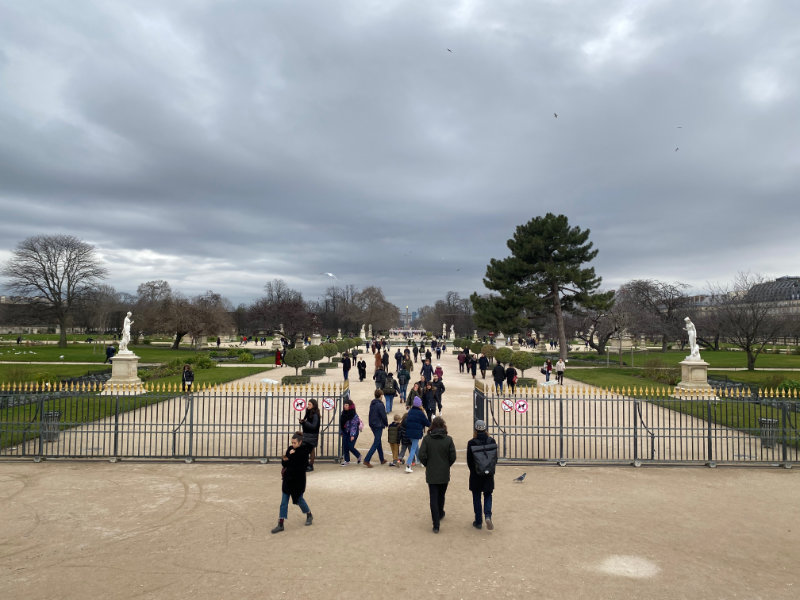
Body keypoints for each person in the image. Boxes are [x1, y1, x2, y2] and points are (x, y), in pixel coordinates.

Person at [419, 416, 457, 533]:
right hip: (444, 471)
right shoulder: (448, 439)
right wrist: (447, 465)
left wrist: (428, 464)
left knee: (433, 497)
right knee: (441, 494)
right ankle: (440, 513)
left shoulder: (427, 439)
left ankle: (436, 524)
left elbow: (422, 455)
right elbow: (453, 456)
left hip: (432, 471)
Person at [270, 432, 313, 533]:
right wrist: (289, 455)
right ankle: (281, 523)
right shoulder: (290, 449)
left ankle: (309, 514)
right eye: (292, 442)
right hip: (288, 480)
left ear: (300, 442)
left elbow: (301, 466)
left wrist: (291, 457)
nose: (292, 444)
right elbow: (284, 462)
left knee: (299, 500)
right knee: (283, 503)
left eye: (295, 443)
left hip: (298, 481)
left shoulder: (303, 452)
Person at [467, 420, 497, 530]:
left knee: (476, 497)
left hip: (476, 474)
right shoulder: (491, 441)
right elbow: (495, 459)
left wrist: (474, 471)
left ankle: (478, 521)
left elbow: (469, 461)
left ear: (475, 429)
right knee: (488, 495)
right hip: (488, 473)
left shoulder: (471, 443)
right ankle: (488, 516)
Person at [405, 397, 430, 473]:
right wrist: (432, 425)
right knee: (413, 448)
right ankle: (408, 465)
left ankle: (420, 460)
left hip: (409, 432)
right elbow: (427, 423)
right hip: (416, 433)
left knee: (416, 447)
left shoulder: (410, 411)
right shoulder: (420, 413)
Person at [364, 390, 388, 467]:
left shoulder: (373, 403)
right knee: (376, 442)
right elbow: (383, 415)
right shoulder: (380, 404)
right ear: (380, 395)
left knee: (378, 441)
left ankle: (382, 459)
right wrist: (386, 423)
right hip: (378, 425)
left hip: (373, 424)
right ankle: (367, 460)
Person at [300, 399, 321, 471]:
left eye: (309, 404)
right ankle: (307, 465)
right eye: (308, 404)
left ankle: (310, 465)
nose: (308, 405)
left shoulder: (315, 414)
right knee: (309, 450)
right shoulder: (308, 412)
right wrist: (302, 422)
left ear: (313, 405)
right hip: (307, 434)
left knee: (310, 450)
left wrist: (305, 423)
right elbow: (307, 421)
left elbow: (314, 426)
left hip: (312, 435)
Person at [339, 400, 362, 466]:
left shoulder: (354, 415)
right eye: (344, 405)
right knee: (345, 446)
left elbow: (354, 426)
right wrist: (341, 432)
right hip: (345, 431)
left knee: (350, 446)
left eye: (346, 405)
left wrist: (352, 435)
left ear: (350, 406)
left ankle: (358, 455)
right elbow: (342, 423)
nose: (345, 406)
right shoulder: (343, 413)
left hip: (352, 432)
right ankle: (347, 460)